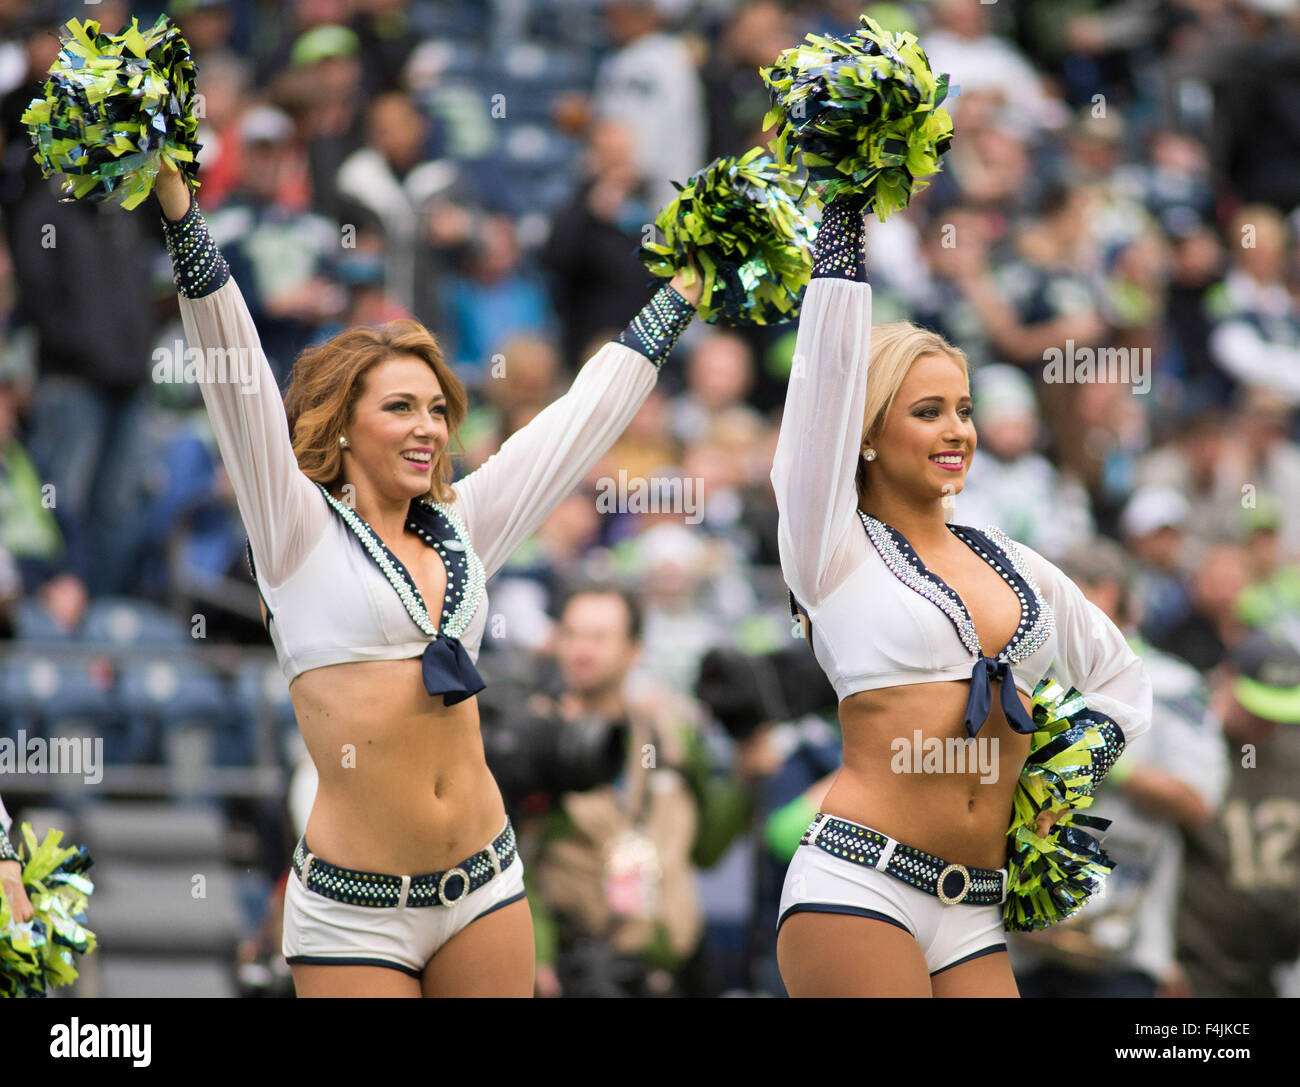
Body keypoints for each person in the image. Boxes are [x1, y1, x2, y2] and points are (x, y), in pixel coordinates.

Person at [149, 157, 703, 997]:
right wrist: (181, 210)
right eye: (400, 407)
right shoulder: (294, 528)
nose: (429, 427)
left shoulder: (465, 525)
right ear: (341, 426)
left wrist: (680, 297)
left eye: (439, 408)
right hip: (354, 907)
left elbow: (579, 425)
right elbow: (237, 379)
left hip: (486, 883)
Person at [768, 192, 1152, 997]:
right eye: (929, 411)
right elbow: (823, 389)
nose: (959, 430)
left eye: (967, 411)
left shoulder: (1013, 561)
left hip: (977, 906)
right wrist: (843, 218)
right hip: (859, 884)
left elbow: (1122, 679)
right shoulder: (830, 544)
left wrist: (1060, 775)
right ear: (866, 430)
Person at [1175, 630, 1300, 997]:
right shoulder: (1188, 744)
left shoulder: (1292, 751)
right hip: (1196, 966)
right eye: (1258, 710)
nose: (1268, 723)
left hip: (1277, 965)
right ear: (1226, 679)